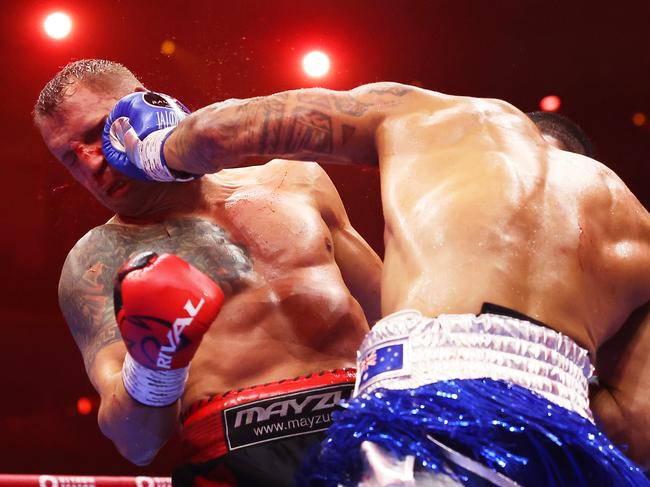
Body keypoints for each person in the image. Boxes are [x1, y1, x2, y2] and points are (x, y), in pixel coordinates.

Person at [105, 81, 650, 485]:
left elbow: (223, 130)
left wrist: (151, 152)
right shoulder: (637, 229)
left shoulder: (442, 119)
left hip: (429, 411)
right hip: (571, 450)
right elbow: (634, 428)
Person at [33, 59, 382, 487]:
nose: (89, 164)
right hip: (238, 459)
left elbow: (395, 313)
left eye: (94, 133)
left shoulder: (296, 180)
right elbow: (136, 444)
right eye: (69, 157)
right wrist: (153, 364)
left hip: (372, 433)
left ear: (149, 107)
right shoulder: (96, 260)